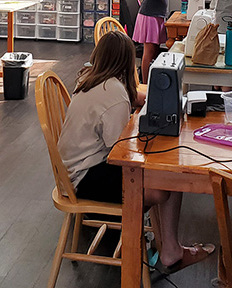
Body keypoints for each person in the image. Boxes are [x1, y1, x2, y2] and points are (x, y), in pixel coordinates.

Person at [57, 32, 215, 273]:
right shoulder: (114, 95)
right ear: (126, 62)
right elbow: (121, 152)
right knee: (165, 182)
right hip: (85, 178)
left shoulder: (92, 79)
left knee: (162, 171)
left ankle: (167, 245)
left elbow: (135, 98)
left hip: (73, 169)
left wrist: (150, 102)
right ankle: (169, 248)